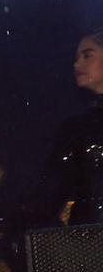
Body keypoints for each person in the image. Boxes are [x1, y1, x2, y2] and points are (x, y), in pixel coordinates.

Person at [29, 29, 103, 227]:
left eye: (87, 55)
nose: (77, 64)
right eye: (76, 57)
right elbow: (50, 191)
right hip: (88, 242)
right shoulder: (76, 127)